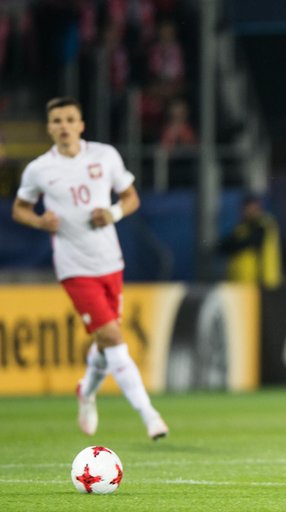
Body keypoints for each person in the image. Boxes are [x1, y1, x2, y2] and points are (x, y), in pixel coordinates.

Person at [12, 97, 169, 441]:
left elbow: (131, 198)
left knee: (104, 341)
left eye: (70, 119)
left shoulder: (105, 156)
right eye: (57, 121)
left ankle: (86, 390)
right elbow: (19, 209)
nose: (64, 126)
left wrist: (112, 214)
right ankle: (149, 415)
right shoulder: (39, 169)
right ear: (49, 127)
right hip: (74, 266)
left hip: (110, 261)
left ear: (81, 125)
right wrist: (40, 222)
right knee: (113, 337)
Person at [217, 194, 282, 288]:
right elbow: (223, 246)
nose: (245, 211)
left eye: (249, 208)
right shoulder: (242, 227)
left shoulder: (264, 225)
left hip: (260, 281)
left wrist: (234, 245)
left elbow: (249, 242)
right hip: (240, 281)